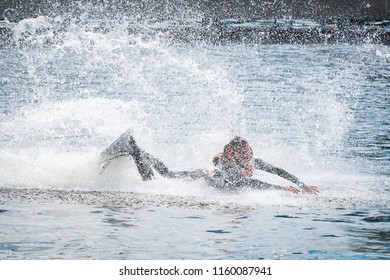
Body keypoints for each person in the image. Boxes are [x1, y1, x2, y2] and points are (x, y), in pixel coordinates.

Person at [101, 134, 319, 194]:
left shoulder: (253, 161)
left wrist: (301, 184)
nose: (245, 159)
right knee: (162, 176)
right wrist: (280, 188)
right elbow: (250, 184)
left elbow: (279, 171)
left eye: (247, 154)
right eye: (240, 155)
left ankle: (133, 147)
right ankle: (133, 148)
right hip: (198, 176)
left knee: (163, 173)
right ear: (231, 153)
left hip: (205, 175)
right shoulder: (226, 167)